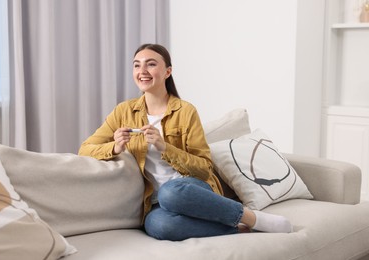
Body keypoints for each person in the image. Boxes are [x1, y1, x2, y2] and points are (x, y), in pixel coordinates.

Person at [78, 43, 293, 241]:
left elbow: (203, 168)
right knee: (158, 226)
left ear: (167, 72)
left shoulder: (185, 111)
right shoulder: (123, 111)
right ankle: (239, 228)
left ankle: (251, 217)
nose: (142, 71)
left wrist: (164, 147)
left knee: (170, 192)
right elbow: (85, 150)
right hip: (156, 203)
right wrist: (114, 147)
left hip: (189, 188)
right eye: (137, 65)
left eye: (151, 64)